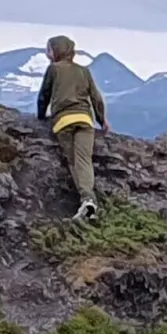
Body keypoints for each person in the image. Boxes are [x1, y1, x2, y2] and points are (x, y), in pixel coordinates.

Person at [36, 35, 109, 221]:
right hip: (85, 120)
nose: (47, 53)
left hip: (63, 122)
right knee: (84, 159)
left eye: (49, 50)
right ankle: (89, 201)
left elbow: (44, 94)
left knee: (73, 162)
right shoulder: (84, 71)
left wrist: (41, 116)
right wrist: (102, 121)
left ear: (56, 52)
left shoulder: (53, 69)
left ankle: (86, 202)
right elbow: (96, 98)